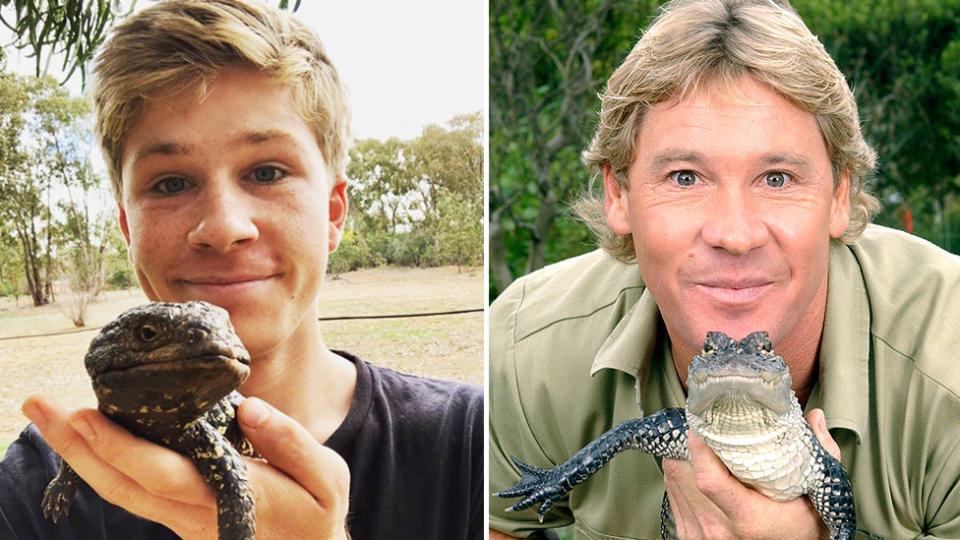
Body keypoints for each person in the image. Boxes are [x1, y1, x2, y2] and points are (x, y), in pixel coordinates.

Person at [0, 1, 483, 538]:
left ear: (332, 211)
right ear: (127, 226)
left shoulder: (474, 443)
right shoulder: (31, 490)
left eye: (267, 171)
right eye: (170, 183)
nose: (223, 226)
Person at [489, 0, 960, 538]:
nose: (735, 235)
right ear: (617, 193)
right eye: (686, 177)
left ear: (840, 194)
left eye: (777, 178)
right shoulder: (523, 349)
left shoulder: (950, 365)